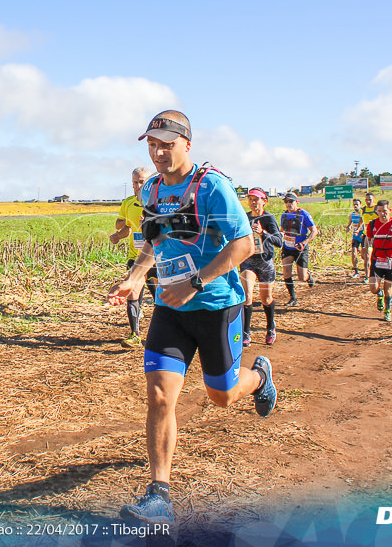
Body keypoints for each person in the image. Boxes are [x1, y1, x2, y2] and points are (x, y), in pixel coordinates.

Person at [107, 110, 276, 525]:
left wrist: (195, 282)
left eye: (167, 143)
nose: (159, 151)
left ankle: (259, 378)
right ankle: (159, 496)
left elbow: (244, 244)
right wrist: (135, 276)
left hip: (217, 307)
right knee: (161, 396)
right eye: (152, 144)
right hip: (170, 309)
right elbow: (154, 241)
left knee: (222, 396)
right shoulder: (150, 190)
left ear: (187, 143)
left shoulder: (211, 187)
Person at [109, 167, 157, 347]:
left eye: (142, 182)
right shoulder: (128, 203)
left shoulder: (157, 202)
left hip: (157, 258)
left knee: (160, 298)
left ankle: (162, 332)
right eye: (135, 182)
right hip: (135, 256)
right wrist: (117, 236)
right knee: (133, 292)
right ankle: (134, 334)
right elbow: (126, 228)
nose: (138, 186)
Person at [240, 187, 283, 346]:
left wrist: (263, 232)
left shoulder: (269, 218)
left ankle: (270, 327)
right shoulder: (245, 217)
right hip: (248, 261)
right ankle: (246, 332)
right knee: (247, 296)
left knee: (266, 299)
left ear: (264, 201)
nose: (253, 202)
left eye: (256, 199)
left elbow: (279, 242)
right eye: (250, 199)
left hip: (265, 261)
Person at [366, 200, 392, 322]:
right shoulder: (372, 224)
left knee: (388, 289)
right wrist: (366, 249)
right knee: (373, 287)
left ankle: (387, 310)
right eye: (379, 211)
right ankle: (378, 294)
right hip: (377, 258)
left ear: (389, 211)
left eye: (384, 211)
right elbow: (368, 239)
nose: (382, 214)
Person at [279, 192, 319, 306]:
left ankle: (308, 276)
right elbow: (282, 230)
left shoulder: (303, 214)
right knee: (286, 273)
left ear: (296, 202)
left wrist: (304, 243)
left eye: (291, 201)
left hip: (300, 248)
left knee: (302, 277)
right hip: (287, 247)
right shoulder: (284, 215)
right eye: (286, 202)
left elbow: (314, 231)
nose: (288, 204)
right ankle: (293, 298)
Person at [346, 198, 368, 279]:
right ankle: (356, 271)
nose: (355, 206)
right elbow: (349, 224)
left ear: (360, 205)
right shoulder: (351, 215)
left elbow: (363, 223)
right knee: (354, 253)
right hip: (355, 237)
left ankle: (368, 272)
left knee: (364, 255)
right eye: (354, 204)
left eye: (357, 204)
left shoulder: (363, 214)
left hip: (363, 236)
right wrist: (348, 227)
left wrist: (359, 231)